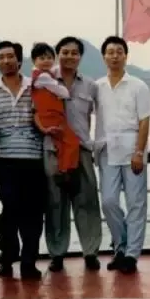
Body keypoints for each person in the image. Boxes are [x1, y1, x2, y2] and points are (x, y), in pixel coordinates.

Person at [0, 41, 47, 280]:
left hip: (34, 158)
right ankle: (7, 256)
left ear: (19, 60)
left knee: (34, 212)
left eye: (10, 56)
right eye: (1, 57)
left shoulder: (36, 85)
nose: (6, 61)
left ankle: (29, 262)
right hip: (4, 159)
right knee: (11, 208)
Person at [43, 36, 102, 272]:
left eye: (74, 53)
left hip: (82, 150)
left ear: (80, 57)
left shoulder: (90, 85)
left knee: (87, 201)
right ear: (57, 54)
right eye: (65, 52)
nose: (69, 56)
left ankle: (90, 251)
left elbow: (101, 116)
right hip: (53, 149)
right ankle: (57, 253)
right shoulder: (44, 81)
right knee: (55, 202)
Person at [95, 35, 150, 274]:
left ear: (126, 56)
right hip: (107, 148)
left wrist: (139, 151)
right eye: (110, 52)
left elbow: (145, 120)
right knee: (108, 201)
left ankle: (131, 254)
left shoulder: (138, 85)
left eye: (119, 52)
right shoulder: (97, 86)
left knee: (136, 202)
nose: (115, 56)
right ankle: (121, 244)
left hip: (132, 149)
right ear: (104, 56)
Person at [30, 42, 81, 191]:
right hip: (51, 117)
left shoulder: (38, 76)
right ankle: (66, 170)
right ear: (34, 61)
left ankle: (63, 171)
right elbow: (64, 93)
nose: (46, 61)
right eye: (42, 58)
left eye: (49, 58)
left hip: (48, 117)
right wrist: (62, 90)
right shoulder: (44, 76)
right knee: (72, 141)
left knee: (61, 144)